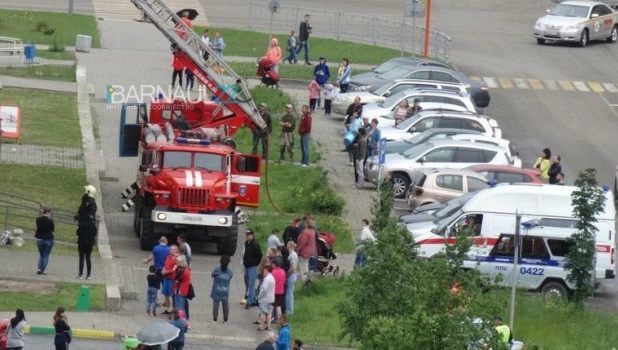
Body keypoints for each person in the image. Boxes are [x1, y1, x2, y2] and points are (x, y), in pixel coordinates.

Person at [75, 185, 97, 280]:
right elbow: (95, 232)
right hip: (90, 240)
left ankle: (80, 274)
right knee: (88, 257)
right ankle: (88, 275)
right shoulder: (92, 224)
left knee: (81, 256)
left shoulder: (86, 204)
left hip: (82, 240)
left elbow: (78, 232)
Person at [143, 236, 170, 306]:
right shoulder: (168, 249)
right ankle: (166, 302)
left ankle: (158, 301)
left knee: (156, 286)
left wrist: (146, 261)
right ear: (166, 241)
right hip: (165, 269)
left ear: (159, 241)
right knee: (165, 285)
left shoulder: (156, 248)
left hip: (157, 269)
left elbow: (151, 258)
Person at [243, 228, 263, 309]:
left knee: (251, 285)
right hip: (246, 266)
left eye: (249, 235)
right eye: (246, 235)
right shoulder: (246, 243)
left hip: (252, 267)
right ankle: (254, 299)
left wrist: (255, 263)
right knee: (248, 284)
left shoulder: (255, 245)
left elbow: (260, 255)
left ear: (252, 235)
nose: (247, 236)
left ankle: (249, 302)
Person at [211, 255, 233, 323]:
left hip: (216, 289)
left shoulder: (217, 269)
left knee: (216, 305)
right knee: (225, 305)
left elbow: (212, 275)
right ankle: (225, 319)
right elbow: (230, 277)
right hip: (225, 290)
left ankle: (215, 319)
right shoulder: (229, 271)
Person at [161, 245, 180, 314]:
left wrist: (166, 271)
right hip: (166, 278)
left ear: (177, 250)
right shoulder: (168, 257)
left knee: (170, 294)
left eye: (174, 249)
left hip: (172, 279)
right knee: (165, 293)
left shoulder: (177, 259)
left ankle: (171, 308)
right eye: (171, 249)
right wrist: (163, 270)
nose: (172, 250)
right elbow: (165, 265)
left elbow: (174, 270)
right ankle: (168, 307)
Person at [296, 219, 316, 283]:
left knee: (303, 266)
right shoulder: (313, 231)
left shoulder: (305, 232)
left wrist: (298, 249)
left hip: (304, 252)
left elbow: (302, 242)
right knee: (306, 265)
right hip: (310, 251)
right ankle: (307, 278)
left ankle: (304, 280)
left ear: (306, 224)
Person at [35, 207, 55, 275]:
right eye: (50, 213)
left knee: (41, 254)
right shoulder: (50, 221)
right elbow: (53, 229)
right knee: (46, 255)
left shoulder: (38, 220)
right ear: (48, 213)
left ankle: (39, 268)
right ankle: (43, 269)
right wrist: (50, 220)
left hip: (40, 239)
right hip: (48, 238)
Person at [257, 265, 275, 331]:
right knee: (269, 313)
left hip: (265, 299)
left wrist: (259, 296)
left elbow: (264, 289)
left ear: (267, 270)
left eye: (264, 270)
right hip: (271, 299)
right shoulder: (272, 278)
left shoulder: (266, 279)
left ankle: (261, 326)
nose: (263, 272)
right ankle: (268, 326)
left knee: (263, 312)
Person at [285, 241, 299, 315]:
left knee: (289, 294)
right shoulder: (292, 254)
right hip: (293, 275)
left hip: (291, 275)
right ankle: (289, 310)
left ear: (289, 246)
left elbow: (293, 267)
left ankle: (289, 311)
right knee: (290, 293)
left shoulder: (292, 255)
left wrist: (287, 273)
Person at [271, 259, 287, 323]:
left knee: (271, 306)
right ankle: (280, 320)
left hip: (273, 291)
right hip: (280, 291)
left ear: (274, 264)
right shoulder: (283, 272)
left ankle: (270, 318)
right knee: (278, 306)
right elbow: (284, 281)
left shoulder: (272, 272)